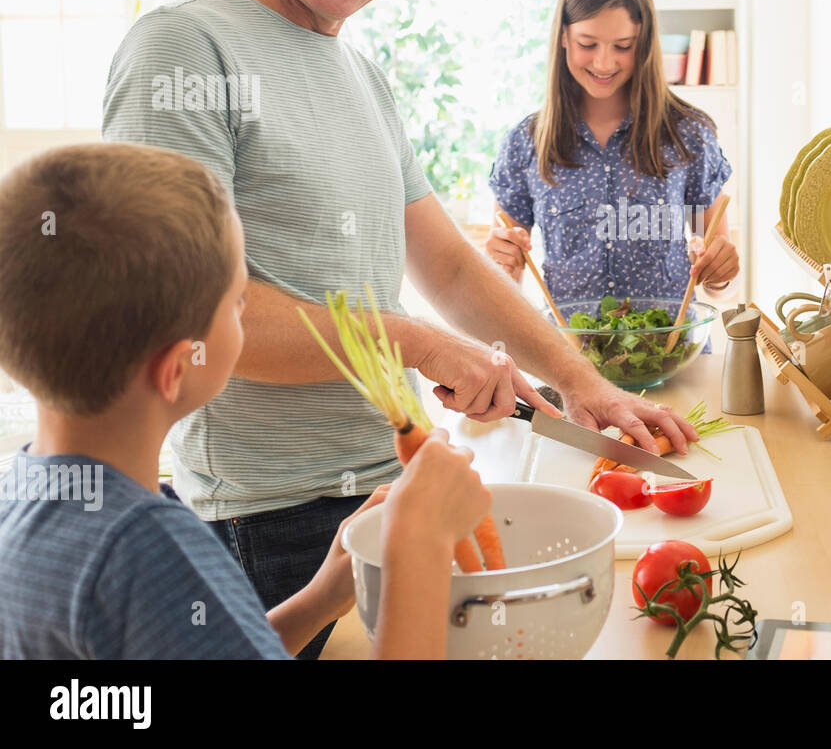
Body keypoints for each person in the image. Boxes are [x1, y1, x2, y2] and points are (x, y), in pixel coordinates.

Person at [100, 0, 695, 660]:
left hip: (386, 489)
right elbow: (191, 317)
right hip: (267, 518)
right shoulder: (186, 51)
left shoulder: (360, 73)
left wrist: (579, 381)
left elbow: (447, 263)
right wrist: (419, 345)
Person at [0, 143, 490, 658]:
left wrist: (319, 599)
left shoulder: (35, 497)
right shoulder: (147, 550)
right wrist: (419, 547)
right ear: (177, 368)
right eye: (238, 303)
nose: (246, 316)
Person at [485, 0, 740, 319]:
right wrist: (498, 265)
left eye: (623, 46)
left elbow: (719, 286)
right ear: (563, 37)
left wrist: (721, 273)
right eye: (588, 43)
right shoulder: (525, 143)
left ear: (645, 42)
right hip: (568, 365)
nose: (604, 63)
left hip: (668, 360)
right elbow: (504, 284)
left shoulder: (689, 134)